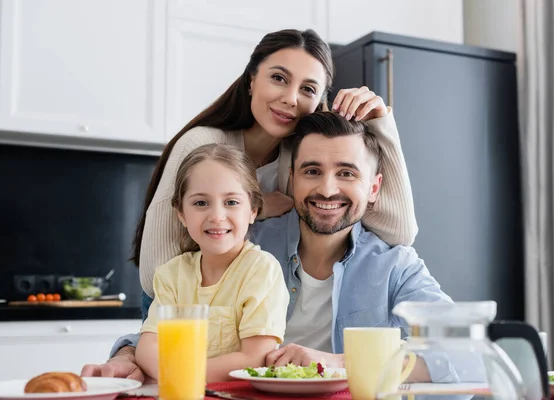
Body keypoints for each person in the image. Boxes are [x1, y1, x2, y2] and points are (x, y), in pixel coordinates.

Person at [83, 112, 464, 384]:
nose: (328, 189)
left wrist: (338, 363)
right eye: (312, 171)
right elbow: (177, 325)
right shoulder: (242, 245)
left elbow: (464, 353)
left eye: (346, 173)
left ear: (374, 188)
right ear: (291, 178)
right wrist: (127, 357)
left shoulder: (396, 267)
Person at [134, 28, 419, 305]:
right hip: (179, 307)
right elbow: (154, 275)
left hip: (248, 307)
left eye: (307, 89)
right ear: (251, 80)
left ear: (319, 101)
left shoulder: (306, 159)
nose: (290, 98)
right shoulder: (202, 145)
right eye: (279, 78)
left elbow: (399, 232)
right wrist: (254, 209)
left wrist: (381, 123)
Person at [135, 143, 289, 383]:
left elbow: (255, 358)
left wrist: (181, 375)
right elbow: (147, 348)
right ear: (181, 214)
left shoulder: (261, 270)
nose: (217, 216)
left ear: (253, 210)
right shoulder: (171, 275)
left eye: (231, 202)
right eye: (200, 203)